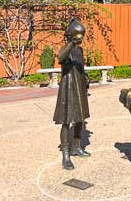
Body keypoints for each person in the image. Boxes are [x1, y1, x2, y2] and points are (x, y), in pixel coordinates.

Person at [53, 18, 91, 170]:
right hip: (68, 87)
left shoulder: (80, 50)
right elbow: (61, 59)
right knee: (67, 121)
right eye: (78, 36)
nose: (81, 39)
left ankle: (77, 147)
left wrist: (85, 77)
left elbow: (80, 66)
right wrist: (71, 43)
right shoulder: (65, 48)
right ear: (71, 35)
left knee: (81, 118)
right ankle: (66, 155)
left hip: (80, 86)